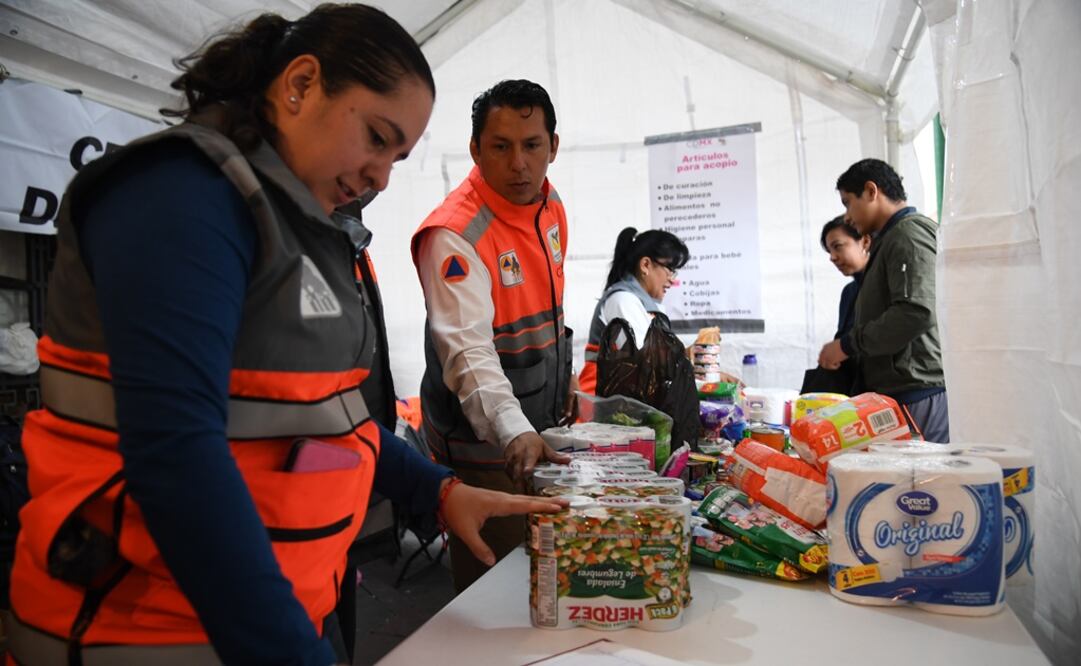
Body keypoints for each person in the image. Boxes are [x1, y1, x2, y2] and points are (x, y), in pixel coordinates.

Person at [6, 7, 563, 665]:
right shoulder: (180, 198)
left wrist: (435, 491)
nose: (382, 176)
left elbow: (328, 416)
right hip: (150, 632)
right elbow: (178, 457)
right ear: (299, 85)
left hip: (271, 614)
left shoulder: (297, 224)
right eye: (377, 138)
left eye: (399, 155)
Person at [411, 79, 574, 592]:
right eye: (501, 147)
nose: (519, 164)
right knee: (500, 591)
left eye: (532, 145)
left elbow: (546, 307)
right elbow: (467, 351)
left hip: (540, 431)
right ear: (476, 150)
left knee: (551, 577)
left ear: (553, 146)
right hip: (487, 447)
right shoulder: (454, 235)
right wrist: (513, 428)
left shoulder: (550, 206)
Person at [818, 158, 949, 442]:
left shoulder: (909, 234)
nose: (848, 216)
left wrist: (848, 344)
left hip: (918, 391)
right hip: (899, 392)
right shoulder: (891, 239)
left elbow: (916, 311)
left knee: (924, 480)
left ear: (871, 191)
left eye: (847, 202)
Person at [579, 227, 689, 393]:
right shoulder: (623, 300)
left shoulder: (641, 302)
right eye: (670, 270)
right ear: (645, 265)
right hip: (601, 402)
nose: (672, 280)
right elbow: (650, 361)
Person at [800, 216, 871, 394]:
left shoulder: (882, 287)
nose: (832, 257)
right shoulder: (849, 292)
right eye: (829, 251)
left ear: (864, 242)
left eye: (838, 246)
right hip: (855, 391)